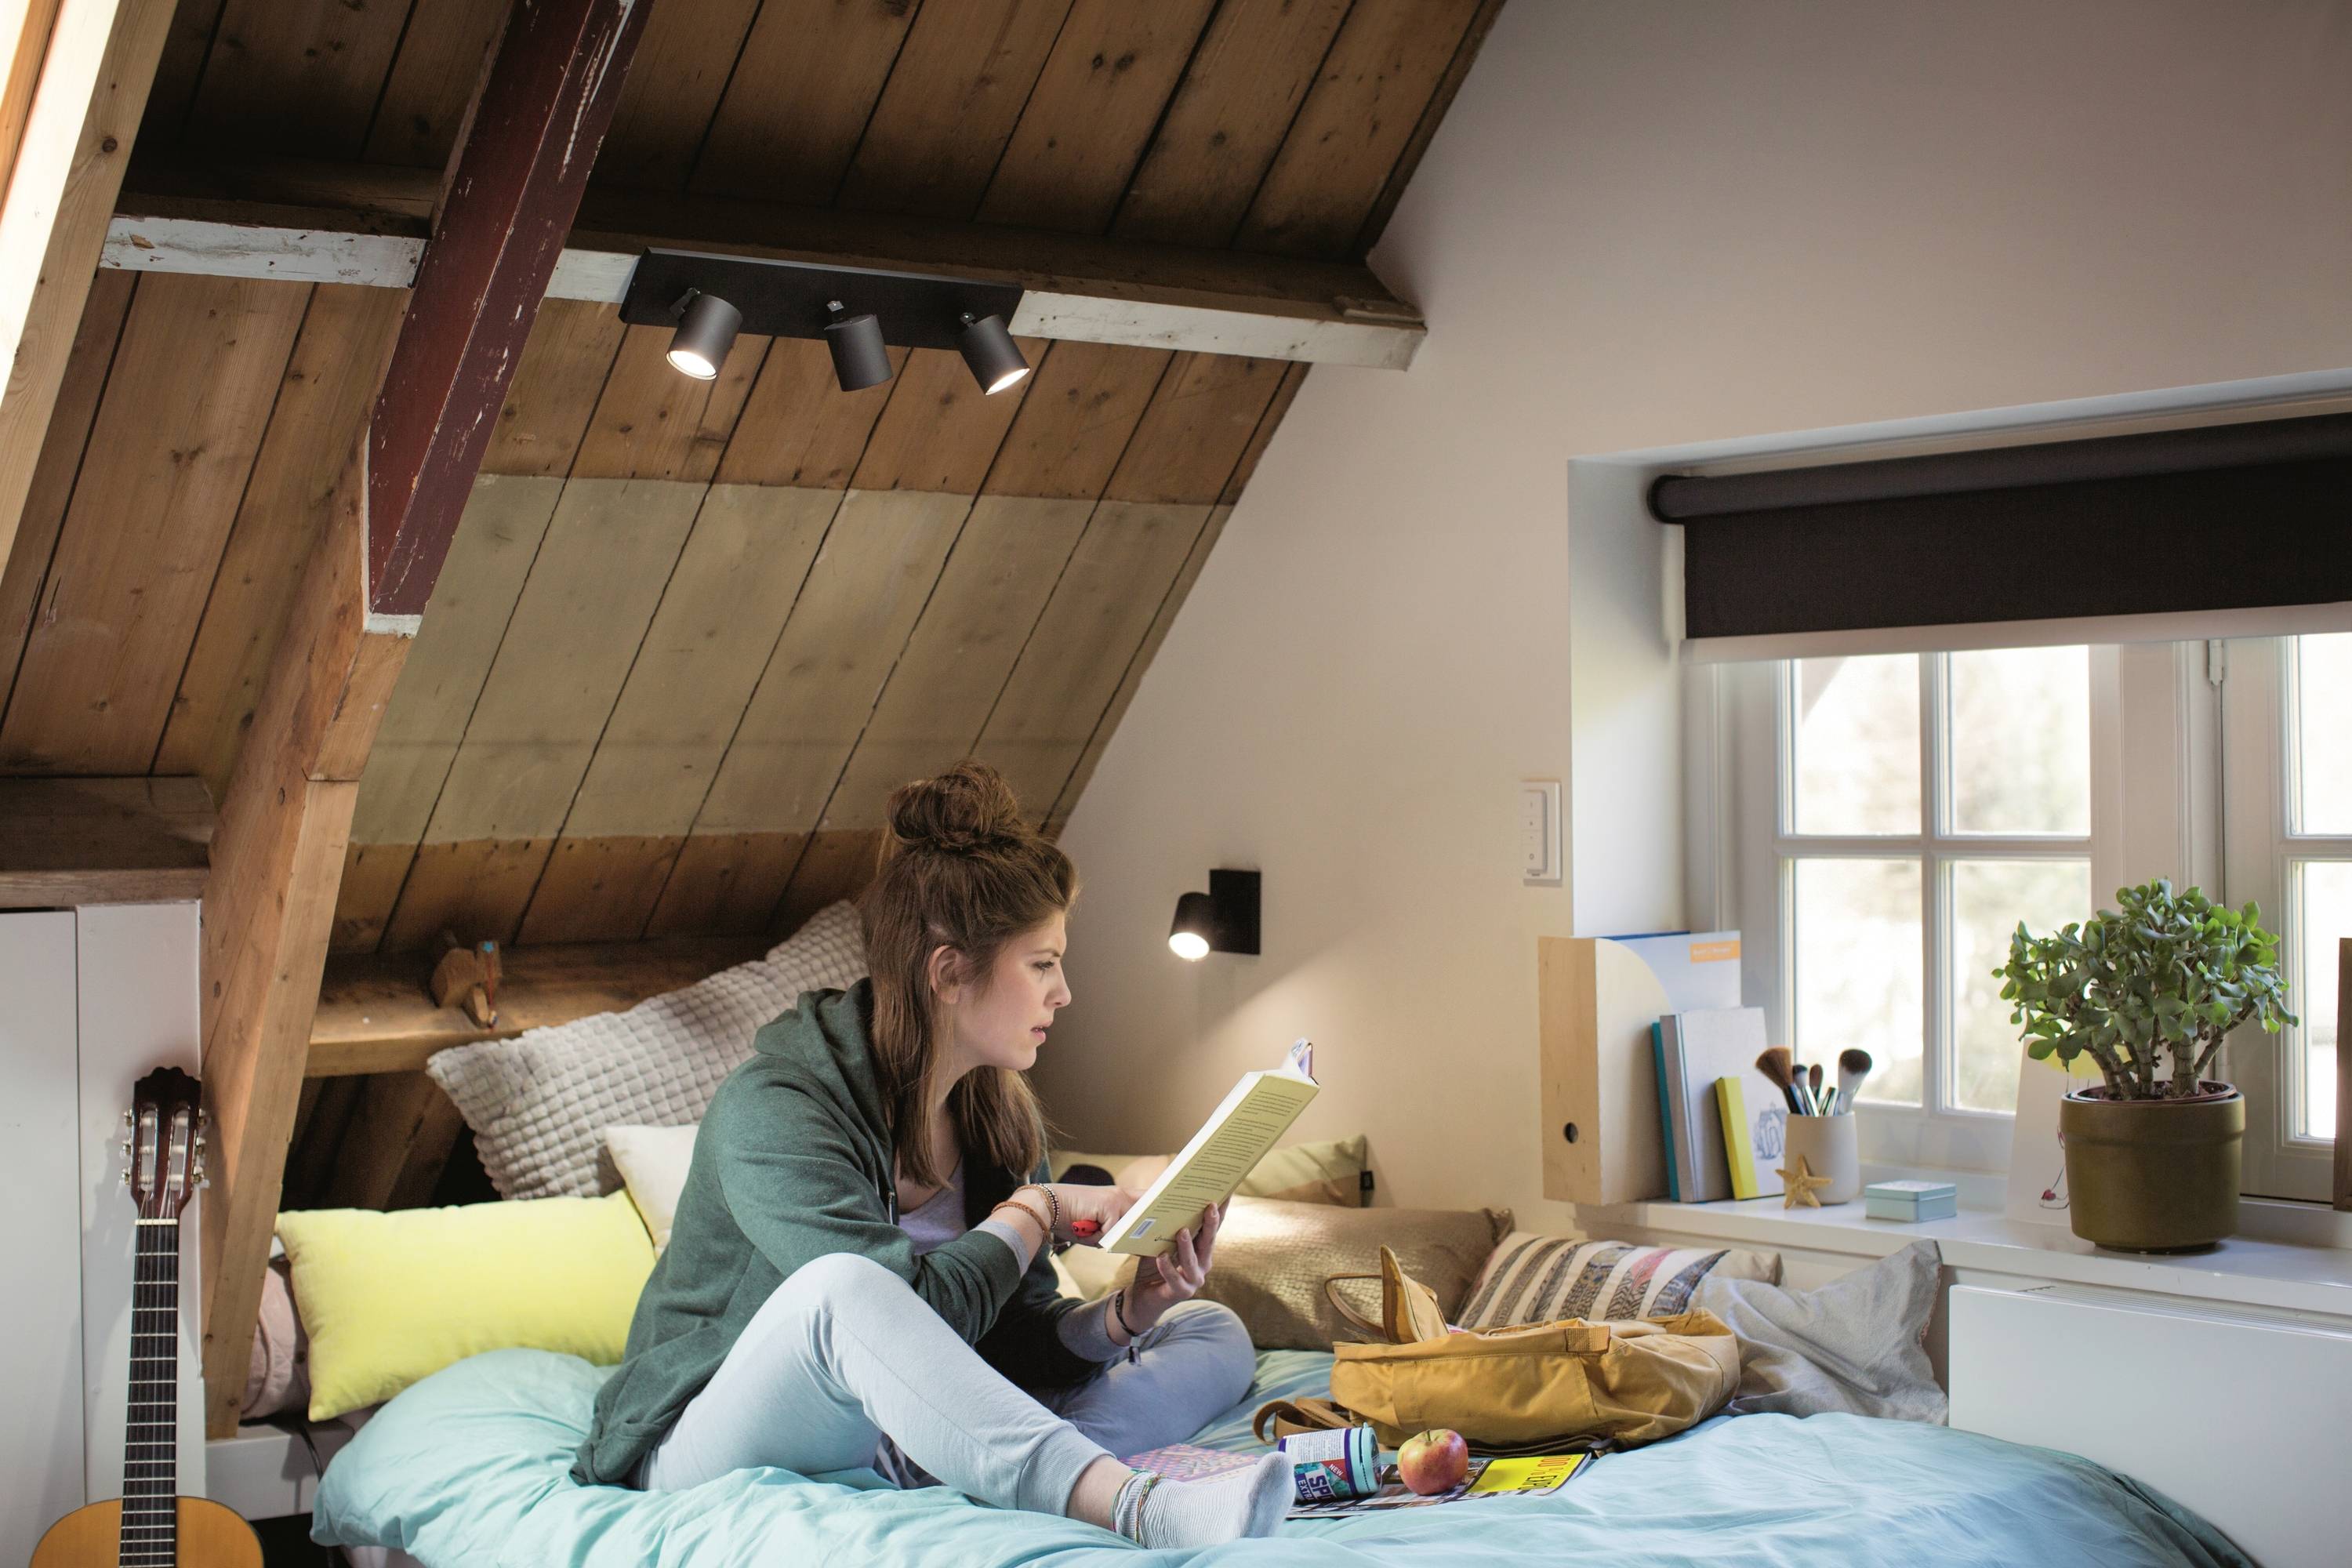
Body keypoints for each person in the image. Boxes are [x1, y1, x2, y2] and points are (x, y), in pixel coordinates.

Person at [572, 760, 1290, 1548]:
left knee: (1209, 1329)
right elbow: (906, 1311)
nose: (1065, 992)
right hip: (711, 1429)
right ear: (950, 971)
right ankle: (1133, 1505)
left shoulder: (995, 1109)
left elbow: (1009, 1330)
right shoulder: (774, 1109)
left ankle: (993, 1464)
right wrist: (1036, 1210)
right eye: (1042, 963)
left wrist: (1124, 1314)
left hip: (901, 1429)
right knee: (843, 1287)